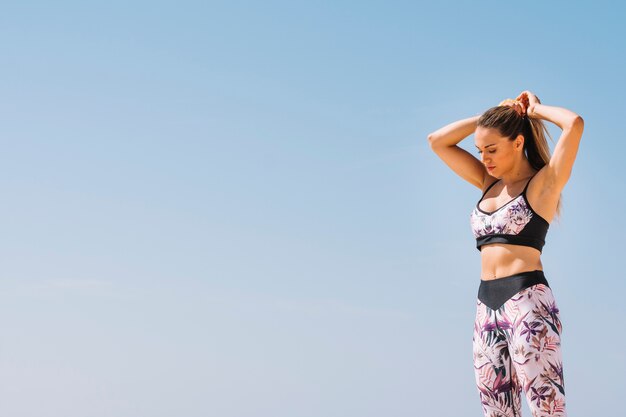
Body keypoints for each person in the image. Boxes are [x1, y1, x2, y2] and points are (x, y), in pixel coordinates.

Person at [427, 91, 584, 417]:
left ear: (518, 142)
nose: (485, 158)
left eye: (492, 149)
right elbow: (437, 141)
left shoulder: (543, 184)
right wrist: (494, 115)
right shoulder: (487, 182)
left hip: (528, 304)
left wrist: (533, 110)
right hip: (486, 307)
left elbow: (574, 124)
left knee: (547, 408)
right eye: (480, 150)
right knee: (496, 411)